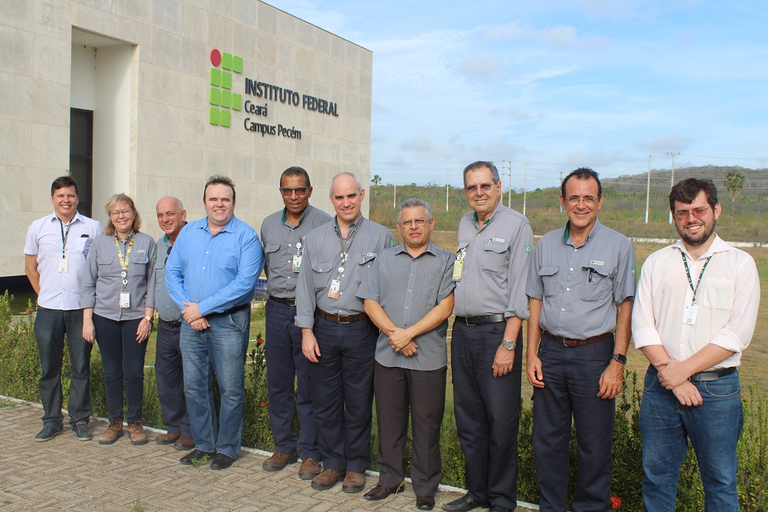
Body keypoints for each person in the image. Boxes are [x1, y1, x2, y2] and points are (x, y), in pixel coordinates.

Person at [632, 178, 759, 511]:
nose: (691, 219)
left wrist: (681, 373)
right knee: (656, 478)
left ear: (715, 209)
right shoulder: (657, 262)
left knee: (719, 481)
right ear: (673, 216)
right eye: (682, 212)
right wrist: (672, 377)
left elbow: (736, 334)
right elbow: (643, 327)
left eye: (698, 210)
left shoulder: (739, 264)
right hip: (660, 389)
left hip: (716, 392)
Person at [525, 167, 636, 511]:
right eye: (574, 197)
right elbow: (535, 300)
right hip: (551, 355)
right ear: (563, 201)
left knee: (594, 445)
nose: (581, 204)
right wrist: (531, 355)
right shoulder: (544, 246)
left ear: (599, 202)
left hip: (594, 356)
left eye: (589, 197)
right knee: (548, 443)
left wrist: (617, 363)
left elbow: (625, 307)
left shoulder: (619, 246)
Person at [296, 172, 394, 493]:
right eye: (339, 197)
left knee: (358, 401)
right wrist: (307, 331)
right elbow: (306, 288)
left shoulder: (381, 237)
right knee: (325, 401)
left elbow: (388, 289)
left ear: (362, 195)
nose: (346, 202)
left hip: (361, 329)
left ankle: (356, 466)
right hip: (323, 328)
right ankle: (333, 463)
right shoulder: (315, 238)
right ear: (331, 199)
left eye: (351, 195)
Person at [357, 198, 455, 511]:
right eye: (407, 222)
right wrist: (395, 336)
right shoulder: (383, 260)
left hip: (428, 359)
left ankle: (425, 487)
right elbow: (370, 302)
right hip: (387, 356)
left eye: (419, 221)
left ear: (431, 224)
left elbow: (446, 306)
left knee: (426, 425)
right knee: (389, 421)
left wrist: (408, 334)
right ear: (399, 227)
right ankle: (389, 479)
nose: (413, 227)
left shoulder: (446, 261)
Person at [446, 161, 532, 512]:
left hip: (498, 333)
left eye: (485, 186)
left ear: (498, 187)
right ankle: (476, 492)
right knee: (469, 420)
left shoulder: (517, 225)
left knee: (500, 423)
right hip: (463, 333)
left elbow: (520, 289)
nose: (479, 193)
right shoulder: (465, 224)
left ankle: (501, 500)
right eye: (472, 187)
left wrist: (508, 344)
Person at [165, 175, 264, 470]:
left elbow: (244, 284)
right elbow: (172, 273)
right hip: (190, 323)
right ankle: (204, 445)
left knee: (230, 389)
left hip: (229, 323)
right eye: (213, 199)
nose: (219, 204)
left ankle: (228, 448)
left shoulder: (246, 237)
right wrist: (189, 311)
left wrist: (202, 309)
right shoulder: (188, 232)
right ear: (204, 202)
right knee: (195, 387)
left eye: (225, 199)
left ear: (233, 202)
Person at [259, 167, 332, 479]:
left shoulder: (325, 224)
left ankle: (310, 452)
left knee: (310, 386)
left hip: (310, 316)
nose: (293, 196)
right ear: (280, 191)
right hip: (276, 312)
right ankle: (284, 446)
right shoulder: (268, 225)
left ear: (310, 191)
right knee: (278, 384)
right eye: (287, 190)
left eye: (299, 190)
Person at [24, 176, 103, 442]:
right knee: (49, 368)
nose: (65, 200)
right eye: (60, 196)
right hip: (48, 310)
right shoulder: (38, 227)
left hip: (81, 311)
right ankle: (52, 420)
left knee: (80, 367)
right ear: (53, 199)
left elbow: (99, 268)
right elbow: (30, 268)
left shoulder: (93, 227)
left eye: (70, 196)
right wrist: (43, 294)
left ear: (76, 198)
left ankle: (80, 419)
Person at [81, 194, 156, 446]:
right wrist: (87, 320)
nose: (121, 216)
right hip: (105, 317)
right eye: (115, 212)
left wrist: (148, 318)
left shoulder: (147, 242)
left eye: (125, 211)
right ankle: (114, 423)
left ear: (134, 214)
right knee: (112, 372)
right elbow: (88, 282)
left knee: (134, 372)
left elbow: (152, 283)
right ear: (110, 217)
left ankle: (135, 423)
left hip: (136, 319)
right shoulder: (99, 243)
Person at [152, 196, 194, 451]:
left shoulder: (195, 239)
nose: (165, 219)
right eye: (160, 215)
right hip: (166, 325)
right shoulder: (159, 244)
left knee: (193, 379)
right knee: (167, 378)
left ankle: (190, 430)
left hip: (190, 324)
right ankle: (174, 426)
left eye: (170, 214)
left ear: (183, 213)